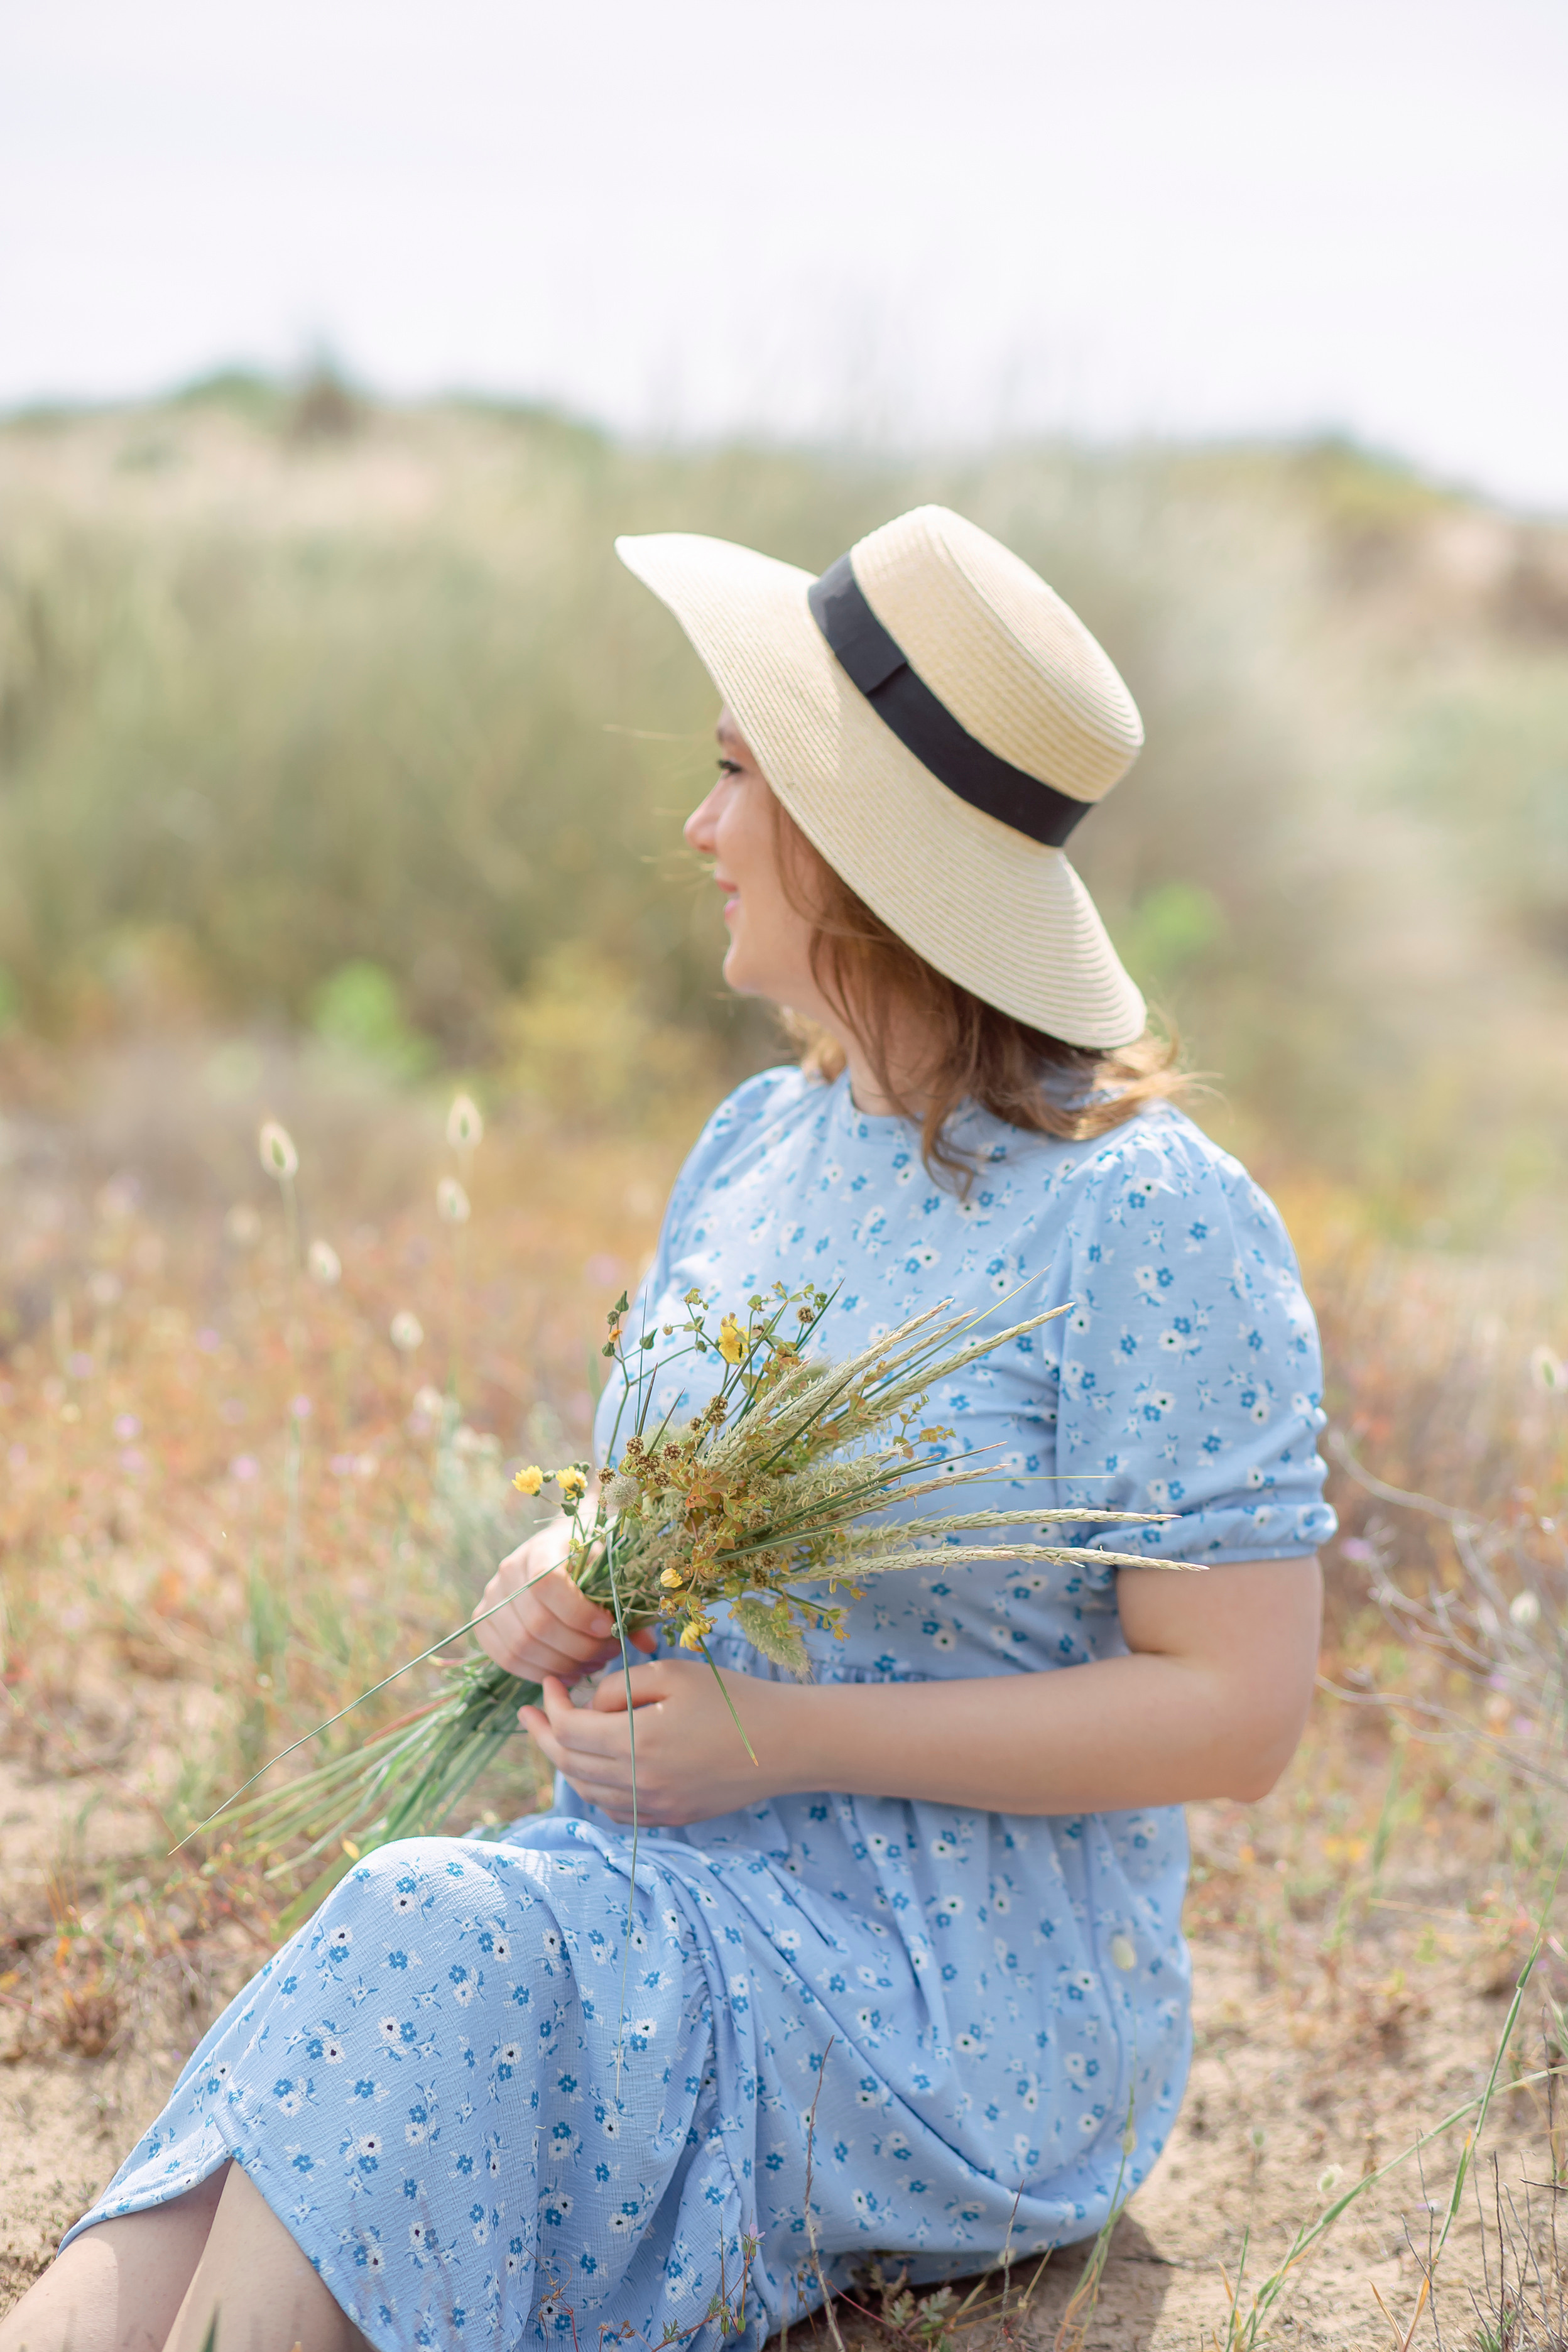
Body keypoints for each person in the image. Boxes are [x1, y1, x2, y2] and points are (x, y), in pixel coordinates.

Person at [3, 506, 1332, 2352]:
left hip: (956, 1992)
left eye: (732, 777)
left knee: (433, 1934)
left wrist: (778, 1738)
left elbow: (1241, 1714)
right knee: (357, 2005)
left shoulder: (1149, 1217)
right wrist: (563, 1574)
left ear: (855, 853)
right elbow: (648, 1514)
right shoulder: (758, 1145)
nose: (696, 831)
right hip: (666, 1883)